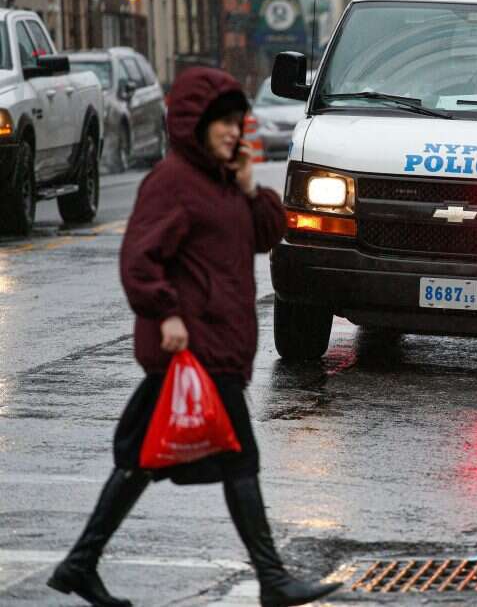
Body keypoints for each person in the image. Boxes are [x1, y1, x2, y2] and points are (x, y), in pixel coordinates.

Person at [47, 68, 340, 607]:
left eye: (237, 122)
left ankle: (79, 563)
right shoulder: (173, 181)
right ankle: (273, 579)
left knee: (139, 458)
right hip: (193, 348)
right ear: (195, 125)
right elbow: (139, 259)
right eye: (222, 124)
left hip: (216, 345)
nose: (234, 132)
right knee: (240, 460)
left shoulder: (223, 181)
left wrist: (254, 189)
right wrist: (167, 314)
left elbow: (264, 236)